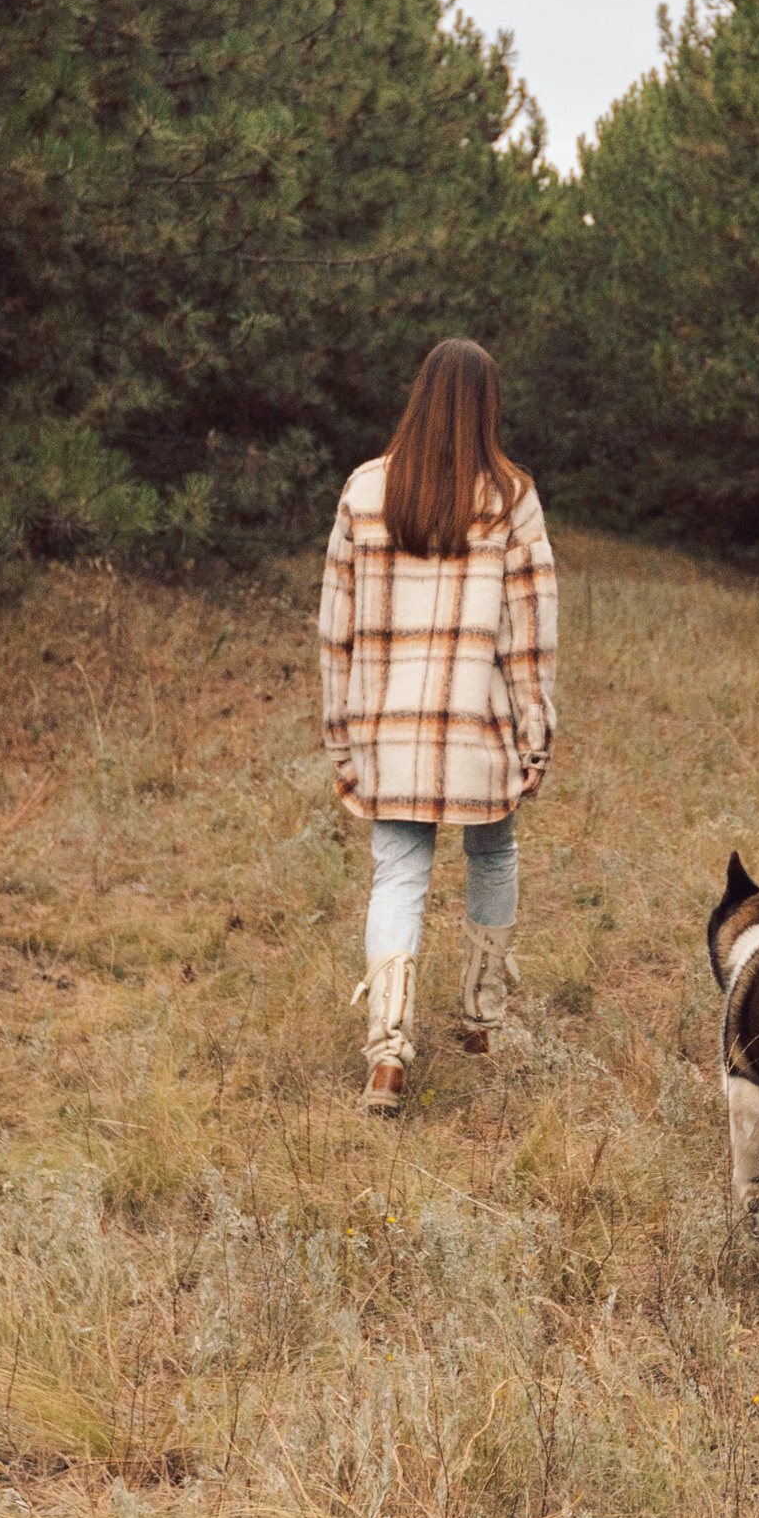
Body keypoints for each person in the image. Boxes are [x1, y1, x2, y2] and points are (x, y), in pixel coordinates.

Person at [318, 339, 557, 1116]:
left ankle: (388, 1055)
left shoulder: (364, 490)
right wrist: (535, 734)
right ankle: (481, 1022)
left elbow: (335, 630)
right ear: (488, 405)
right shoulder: (511, 497)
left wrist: (338, 736)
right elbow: (529, 635)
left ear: (418, 395)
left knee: (398, 875)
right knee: (493, 854)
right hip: (476, 730)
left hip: (386, 730)